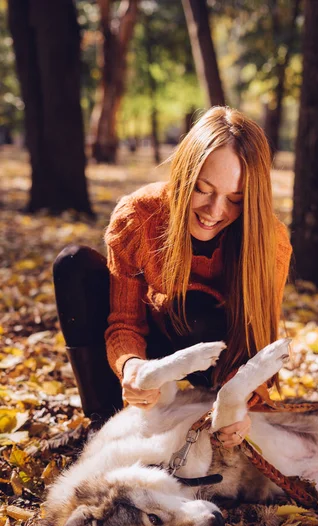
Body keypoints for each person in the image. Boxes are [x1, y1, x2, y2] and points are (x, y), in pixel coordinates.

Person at [53, 106, 292, 446]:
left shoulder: (271, 242)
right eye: (203, 189)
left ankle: (208, 415)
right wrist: (131, 367)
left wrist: (242, 402)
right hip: (156, 335)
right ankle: (102, 422)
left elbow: (260, 344)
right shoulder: (139, 215)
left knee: (194, 308)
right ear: (183, 174)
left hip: (217, 348)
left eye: (235, 199)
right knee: (72, 263)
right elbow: (124, 321)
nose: (215, 211)